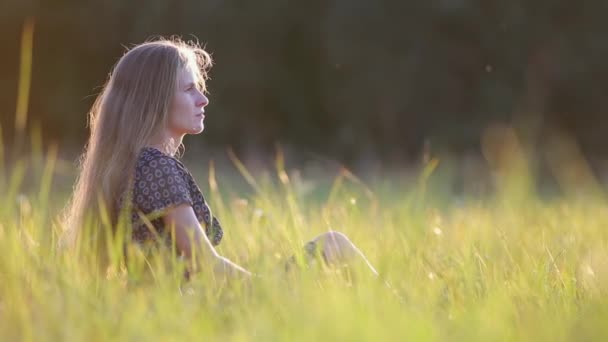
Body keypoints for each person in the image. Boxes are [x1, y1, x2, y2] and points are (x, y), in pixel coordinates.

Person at [62, 37, 380, 281]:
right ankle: (404, 310)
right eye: (189, 89)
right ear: (154, 101)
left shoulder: (134, 165)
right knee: (334, 245)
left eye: (199, 87)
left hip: (178, 308)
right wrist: (266, 287)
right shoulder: (155, 168)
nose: (203, 99)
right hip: (191, 309)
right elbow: (205, 264)